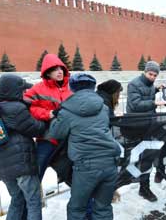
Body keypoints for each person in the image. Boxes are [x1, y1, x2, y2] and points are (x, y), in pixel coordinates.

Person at [48, 73, 121, 220]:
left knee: (77, 208)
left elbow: (56, 133)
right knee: (103, 207)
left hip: (86, 166)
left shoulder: (67, 110)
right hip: (110, 162)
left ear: (73, 88)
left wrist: (55, 117)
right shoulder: (103, 107)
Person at [0, 74, 46, 220]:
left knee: (17, 200)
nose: (25, 92)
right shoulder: (16, 108)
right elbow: (35, 128)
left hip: (2, 164)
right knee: (33, 202)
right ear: (14, 91)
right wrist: (47, 119)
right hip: (21, 163)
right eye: (22, 90)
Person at [24, 54, 72, 181]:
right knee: (37, 171)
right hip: (48, 137)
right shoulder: (38, 88)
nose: (59, 71)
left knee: (71, 172)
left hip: (68, 137)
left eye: (61, 68)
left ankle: (86, 200)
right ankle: (31, 199)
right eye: (55, 69)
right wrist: (49, 113)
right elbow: (29, 108)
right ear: (47, 72)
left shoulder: (70, 88)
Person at [126, 61, 166, 202]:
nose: (152, 77)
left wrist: (156, 90)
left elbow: (147, 94)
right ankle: (129, 181)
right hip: (136, 126)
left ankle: (144, 187)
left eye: (155, 75)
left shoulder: (150, 85)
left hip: (149, 124)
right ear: (145, 72)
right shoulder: (133, 84)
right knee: (138, 156)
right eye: (150, 74)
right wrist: (154, 103)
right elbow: (135, 104)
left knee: (148, 156)